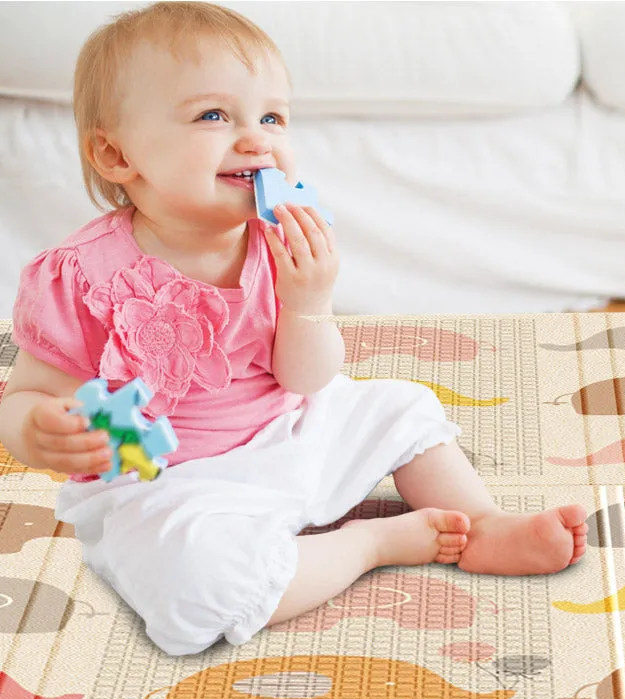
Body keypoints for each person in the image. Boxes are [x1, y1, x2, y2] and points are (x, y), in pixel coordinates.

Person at [0, 1, 587, 657]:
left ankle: (481, 525)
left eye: (272, 116)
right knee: (195, 582)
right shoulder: (82, 278)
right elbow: (26, 394)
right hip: (171, 486)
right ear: (117, 154)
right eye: (213, 116)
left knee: (402, 406)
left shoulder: (279, 240)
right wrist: (38, 429)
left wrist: (309, 302)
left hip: (292, 430)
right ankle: (366, 545)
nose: (257, 138)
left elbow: (308, 379)